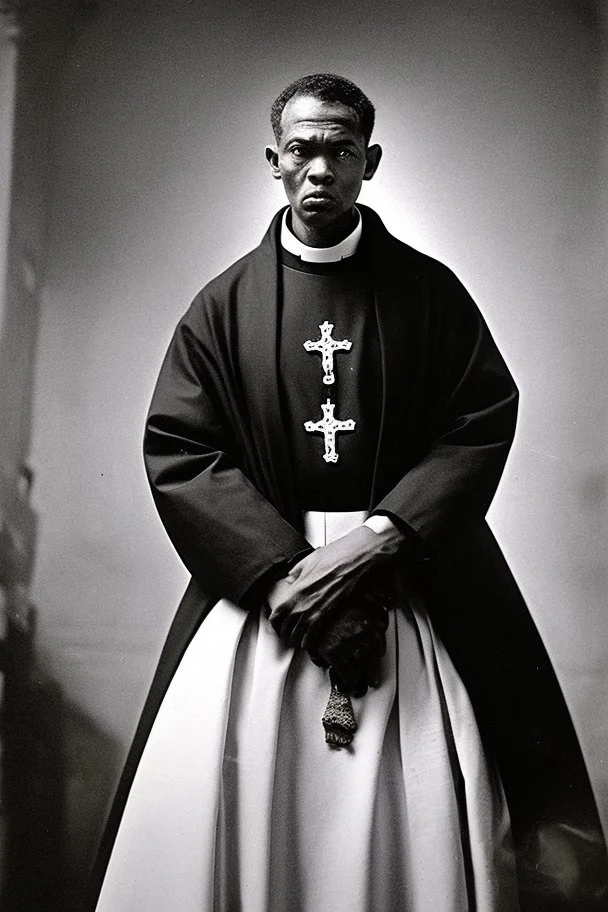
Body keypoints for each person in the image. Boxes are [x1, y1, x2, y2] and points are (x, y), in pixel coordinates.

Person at [91, 74, 607, 911]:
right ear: (273, 161)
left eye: (339, 150)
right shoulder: (220, 309)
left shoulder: (430, 295)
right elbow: (181, 450)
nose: (319, 168)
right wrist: (293, 576)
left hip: (409, 578)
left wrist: (381, 537)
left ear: (369, 161)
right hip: (264, 596)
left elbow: (480, 419)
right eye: (301, 150)